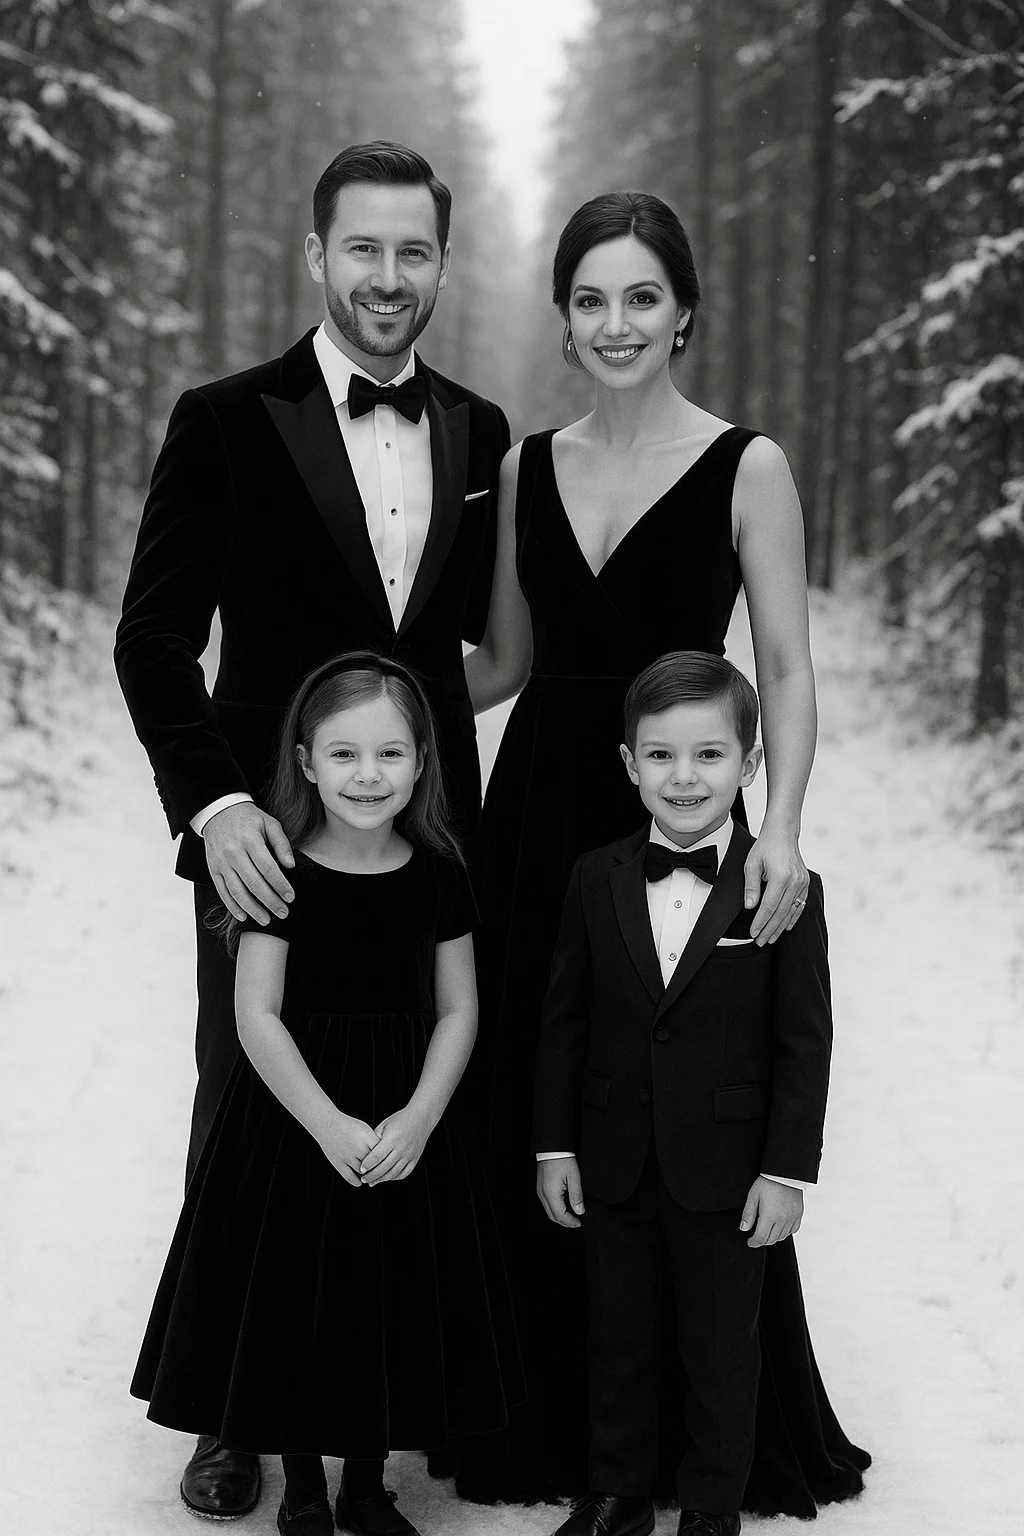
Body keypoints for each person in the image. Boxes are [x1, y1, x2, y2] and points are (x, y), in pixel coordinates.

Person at [454, 191, 869, 1512]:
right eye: (590, 298)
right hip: (535, 828)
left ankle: (710, 1433)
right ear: (564, 320)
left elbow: (789, 670)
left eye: (642, 296)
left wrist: (784, 825)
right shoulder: (525, 466)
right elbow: (506, 664)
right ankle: (542, 1423)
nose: (616, 321)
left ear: (684, 311)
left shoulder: (748, 464)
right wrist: (353, 707)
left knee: (693, 1108)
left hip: (679, 809)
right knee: (547, 1101)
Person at [115, 141, 509, 1517]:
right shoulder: (225, 418)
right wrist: (213, 806)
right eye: (364, 249)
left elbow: (470, 651)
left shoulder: (480, 428)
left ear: (442, 265)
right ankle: (232, 1407)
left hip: (415, 842)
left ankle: (397, 1396)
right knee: (248, 1105)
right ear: (316, 255)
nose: (388, 278)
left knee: (410, 1106)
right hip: (265, 839)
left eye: (414, 253)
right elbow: (154, 637)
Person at [131, 653, 523, 1536]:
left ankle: (366, 1484)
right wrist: (326, 1124)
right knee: (294, 1294)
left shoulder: (439, 873)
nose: (367, 775)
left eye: (390, 753)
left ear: (424, 760)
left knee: (381, 1294)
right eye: (343, 754)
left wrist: (418, 1117)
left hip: (399, 1116)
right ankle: (303, 1485)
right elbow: (257, 1016)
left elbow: (461, 1008)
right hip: (296, 1119)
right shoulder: (280, 873)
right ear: (305, 761)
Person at [533, 652, 833, 1536]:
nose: (684, 777)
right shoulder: (596, 876)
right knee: (616, 1338)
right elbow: (565, 1021)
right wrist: (554, 1145)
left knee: (720, 1346)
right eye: (660, 756)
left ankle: (711, 1505)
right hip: (614, 1158)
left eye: (709, 756)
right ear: (629, 764)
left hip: (729, 1167)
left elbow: (803, 1042)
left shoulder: (781, 887)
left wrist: (786, 1170)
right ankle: (617, 1493)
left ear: (749, 766)